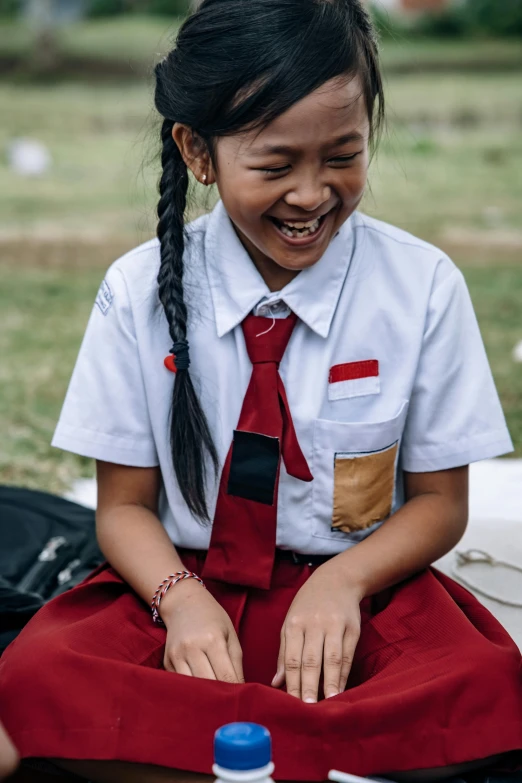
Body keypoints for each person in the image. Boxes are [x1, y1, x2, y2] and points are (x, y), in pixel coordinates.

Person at [1, 1, 521, 781]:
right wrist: (178, 600)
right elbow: (122, 509)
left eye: (343, 155)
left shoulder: (422, 287)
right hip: (179, 581)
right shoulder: (135, 290)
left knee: (484, 688)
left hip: (365, 588)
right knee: (37, 676)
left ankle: (191, 754)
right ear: (198, 152)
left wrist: (343, 582)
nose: (312, 195)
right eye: (275, 166)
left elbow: (440, 503)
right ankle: (318, 754)